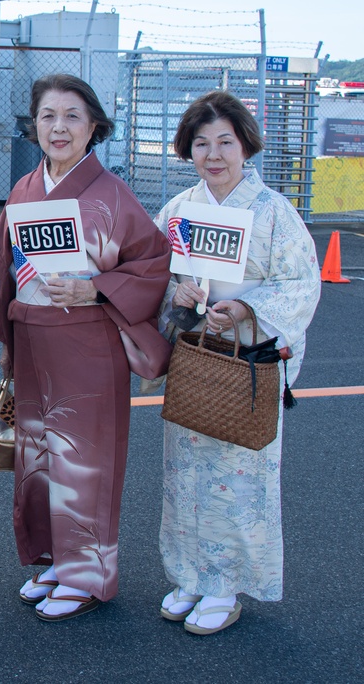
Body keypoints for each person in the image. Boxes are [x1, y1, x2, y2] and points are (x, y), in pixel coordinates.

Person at [0, 74, 172, 622]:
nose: (59, 127)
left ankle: (87, 574)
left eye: (72, 116)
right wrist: (9, 335)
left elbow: (152, 262)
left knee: (84, 459)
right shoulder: (24, 189)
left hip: (89, 343)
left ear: (94, 126)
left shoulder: (112, 194)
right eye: (48, 115)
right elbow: (5, 268)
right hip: (35, 341)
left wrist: (96, 287)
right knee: (38, 453)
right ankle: (54, 558)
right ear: (34, 126)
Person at [154, 91, 320, 635]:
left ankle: (226, 585)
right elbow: (152, 271)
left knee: (240, 474)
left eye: (225, 141)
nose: (213, 154)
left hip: (245, 362)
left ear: (245, 143)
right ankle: (190, 574)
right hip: (196, 360)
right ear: (188, 151)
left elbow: (300, 284)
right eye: (201, 143)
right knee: (184, 473)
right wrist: (174, 290)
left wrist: (247, 308)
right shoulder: (180, 210)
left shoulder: (273, 210)